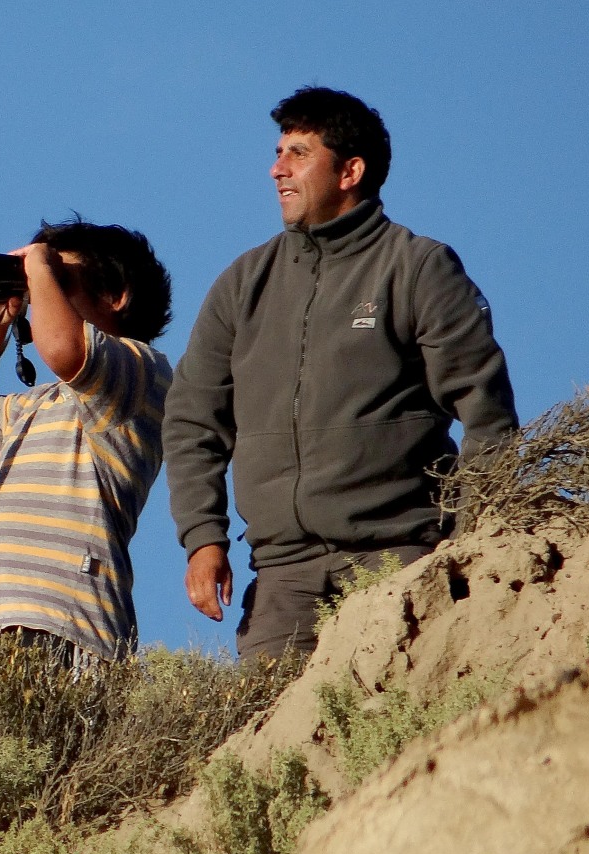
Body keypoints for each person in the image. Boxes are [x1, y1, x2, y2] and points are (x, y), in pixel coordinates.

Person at [163, 86, 519, 659]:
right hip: (281, 579)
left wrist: (471, 540)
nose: (277, 169)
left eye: (298, 154)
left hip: (400, 557)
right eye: (279, 153)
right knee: (273, 745)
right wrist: (203, 537)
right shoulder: (242, 283)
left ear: (351, 170)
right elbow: (191, 421)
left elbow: (487, 413)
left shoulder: (417, 266)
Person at [0, 218, 173, 665]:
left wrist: (41, 266)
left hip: (64, 623)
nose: (41, 289)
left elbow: (66, 350)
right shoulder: (40, 403)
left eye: (62, 279)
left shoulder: (143, 374)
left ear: (116, 295)